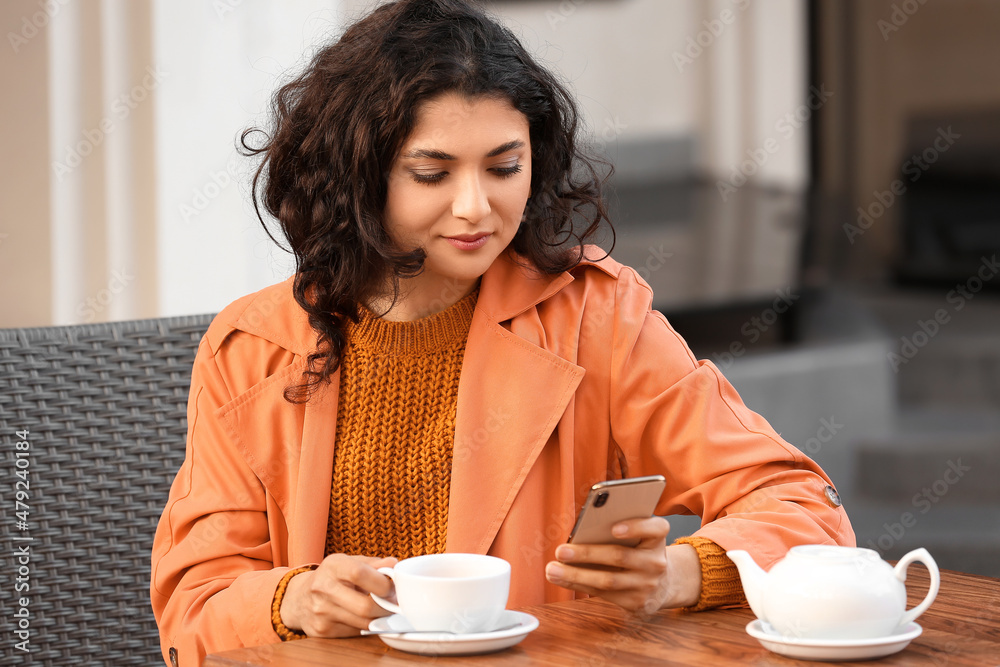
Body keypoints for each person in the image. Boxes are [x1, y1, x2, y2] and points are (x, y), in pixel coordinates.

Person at [150, 1, 854, 665]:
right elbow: (194, 605)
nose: (475, 207)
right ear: (358, 177)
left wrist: (679, 572)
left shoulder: (596, 317)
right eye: (432, 172)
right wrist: (294, 598)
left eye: (503, 167)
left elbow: (802, 508)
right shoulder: (250, 348)